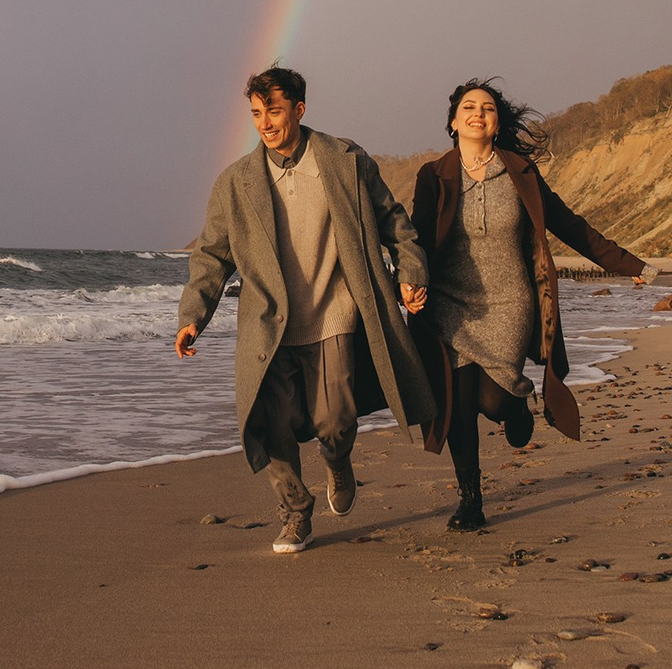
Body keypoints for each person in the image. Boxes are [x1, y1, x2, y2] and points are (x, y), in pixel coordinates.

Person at [176, 65, 436, 554]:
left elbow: (395, 222)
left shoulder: (345, 160)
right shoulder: (235, 183)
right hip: (268, 324)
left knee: (335, 420)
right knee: (271, 424)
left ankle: (337, 462)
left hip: (335, 311)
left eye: (274, 111)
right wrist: (193, 316)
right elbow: (211, 255)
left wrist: (410, 272)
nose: (265, 123)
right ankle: (296, 513)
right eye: (256, 113)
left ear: (299, 109)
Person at [411, 78, 645, 533]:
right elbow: (417, 238)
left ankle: (516, 408)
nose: (478, 114)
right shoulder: (433, 175)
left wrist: (629, 264)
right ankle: (470, 499)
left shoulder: (520, 173)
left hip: (508, 301)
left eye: (488, 109)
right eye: (469, 107)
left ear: (497, 124)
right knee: (459, 403)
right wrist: (408, 281)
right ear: (453, 122)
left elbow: (570, 225)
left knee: (493, 400)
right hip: (449, 304)